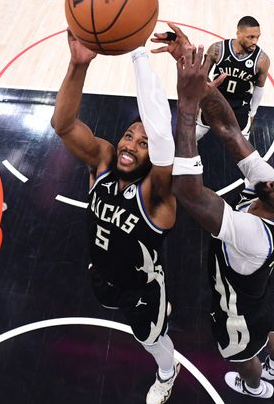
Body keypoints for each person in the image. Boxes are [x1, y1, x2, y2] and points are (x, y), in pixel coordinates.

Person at [153, 25, 274, 398]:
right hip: (260, 290)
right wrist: (198, 80)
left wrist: (187, 106)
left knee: (241, 349)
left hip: (236, 305)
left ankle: (255, 386)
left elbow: (190, 192)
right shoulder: (269, 189)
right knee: (267, 319)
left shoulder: (254, 236)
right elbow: (229, 130)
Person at [50, 31, 181, 404]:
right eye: (128, 136)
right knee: (106, 295)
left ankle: (167, 373)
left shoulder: (157, 193)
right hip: (103, 272)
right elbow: (63, 125)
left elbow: (161, 137)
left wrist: (139, 55)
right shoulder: (104, 162)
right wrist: (78, 65)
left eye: (142, 143)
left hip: (144, 289)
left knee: (150, 337)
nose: (129, 145)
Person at [196, 16, 270, 141]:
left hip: (240, 106)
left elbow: (259, 87)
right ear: (238, 34)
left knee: (243, 146)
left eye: (258, 37)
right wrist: (198, 101)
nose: (255, 41)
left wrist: (253, 112)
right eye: (250, 37)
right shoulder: (217, 49)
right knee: (194, 135)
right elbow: (202, 77)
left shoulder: (262, 60)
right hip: (215, 100)